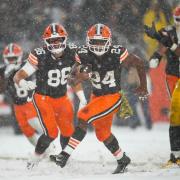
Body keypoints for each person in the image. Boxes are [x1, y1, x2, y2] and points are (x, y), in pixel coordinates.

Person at [51, 23, 148, 174]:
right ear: (88, 41)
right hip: (96, 96)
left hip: (112, 96)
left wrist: (143, 87)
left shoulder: (117, 52)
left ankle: (64, 156)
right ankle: (122, 159)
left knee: (83, 116)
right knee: (102, 133)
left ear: (109, 41)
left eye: (101, 41)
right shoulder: (83, 53)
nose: (97, 45)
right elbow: (70, 78)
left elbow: (140, 63)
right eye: (94, 41)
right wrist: (79, 76)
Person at [13, 23, 87, 169]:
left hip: (62, 96)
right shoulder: (40, 55)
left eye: (58, 39)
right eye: (52, 40)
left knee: (68, 130)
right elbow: (18, 75)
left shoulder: (73, 53)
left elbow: (74, 79)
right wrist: (22, 82)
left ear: (65, 39)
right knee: (51, 132)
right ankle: (35, 156)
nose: (56, 43)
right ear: (46, 41)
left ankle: (64, 158)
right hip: (42, 97)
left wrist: (82, 98)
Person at [144, 6, 180, 166]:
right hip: (173, 74)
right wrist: (157, 56)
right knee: (176, 113)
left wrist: (170, 44)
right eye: (177, 20)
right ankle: (176, 155)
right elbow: (163, 47)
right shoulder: (169, 31)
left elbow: (172, 47)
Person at [2, 43, 43, 146]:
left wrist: (14, 71)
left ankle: (51, 145)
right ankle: (42, 149)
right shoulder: (3, 70)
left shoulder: (26, 65)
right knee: (26, 130)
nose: (11, 61)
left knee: (34, 122)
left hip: (30, 101)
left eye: (14, 58)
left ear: (19, 56)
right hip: (17, 105)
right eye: (9, 58)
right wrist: (5, 77)